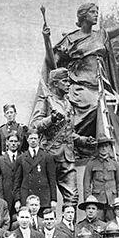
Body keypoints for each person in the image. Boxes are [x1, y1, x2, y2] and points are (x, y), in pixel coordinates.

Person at [51, 0, 119, 149]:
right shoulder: (70, 39)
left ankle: (111, 149)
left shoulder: (101, 35)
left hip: (101, 86)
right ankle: (77, 143)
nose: (96, 15)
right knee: (96, 105)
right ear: (83, 16)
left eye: (97, 12)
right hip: (80, 85)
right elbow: (53, 62)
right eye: (92, 12)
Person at [30, 67, 86, 205]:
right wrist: (51, 119)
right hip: (49, 154)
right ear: (55, 83)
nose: (68, 84)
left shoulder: (68, 104)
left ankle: (69, 226)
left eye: (69, 81)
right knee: (45, 196)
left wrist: (83, 140)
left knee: (72, 197)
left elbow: (68, 133)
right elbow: (34, 125)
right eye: (65, 81)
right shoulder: (45, 101)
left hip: (67, 156)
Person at [12, 129, 56, 212]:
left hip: (43, 198)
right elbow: (17, 182)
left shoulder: (47, 157)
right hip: (26, 198)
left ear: (39, 140)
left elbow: (52, 180)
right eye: (31, 138)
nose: (33, 141)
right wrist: (17, 200)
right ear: (27, 139)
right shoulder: (21, 158)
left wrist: (53, 199)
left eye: (35, 138)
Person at [83, 136, 119, 217]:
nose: (104, 148)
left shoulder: (115, 163)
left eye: (106, 146)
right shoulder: (91, 164)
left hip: (112, 201)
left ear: (109, 148)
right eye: (101, 146)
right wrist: (89, 201)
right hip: (97, 201)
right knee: (97, 225)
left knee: (112, 225)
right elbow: (86, 184)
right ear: (97, 148)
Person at [0, 131, 21, 215]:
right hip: (5, 198)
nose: (13, 143)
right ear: (7, 143)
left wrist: (18, 199)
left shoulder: (23, 159)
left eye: (15, 141)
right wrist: (1, 201)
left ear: (18, 143)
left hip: (19, 200)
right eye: (11, 141)